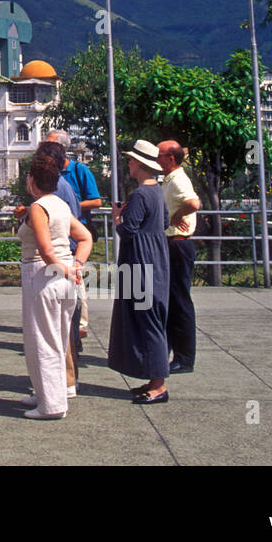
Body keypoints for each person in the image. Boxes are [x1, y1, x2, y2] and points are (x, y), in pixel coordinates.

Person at [16, 154, 93, 419]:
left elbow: (46, 250)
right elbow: (85, 237)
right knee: (58, 339)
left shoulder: (39, 207)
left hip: (42, 276)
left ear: (32, 180)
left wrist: (65, 268)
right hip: (63, 278)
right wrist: (76, 266)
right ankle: (45, 393)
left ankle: (51, 405)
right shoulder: (60, 204)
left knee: (42, 340)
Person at [108, 139, 171, 404]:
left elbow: (127, 230)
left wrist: (118, 217)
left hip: (139, 262)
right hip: (157, 259)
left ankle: (159, 385)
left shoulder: (139, 195)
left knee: (147, 320)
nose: (129, 164)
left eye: (132, 160)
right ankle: (154, 378)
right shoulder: (156, 192)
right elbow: (165, 221)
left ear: (142, 165)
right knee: (152, 318)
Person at [45, 130, 102, 338]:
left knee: (76, 279)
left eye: (49, 144)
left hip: (75, 233)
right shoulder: (50, 172)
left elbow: (96, 200)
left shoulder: (79, 171)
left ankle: (80, 325)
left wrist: (68, 205)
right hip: (55, 233)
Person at [158, 140, 201, 375]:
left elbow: (194, 202)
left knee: (180, 302)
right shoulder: (170, 180)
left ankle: (184, 358)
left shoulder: (178, 180)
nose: (157, 159)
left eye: (160, 155)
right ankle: (175, 351)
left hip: (178, 245)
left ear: (171, 158)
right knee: (174, 302)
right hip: (172, 245)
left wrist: (176, 216)